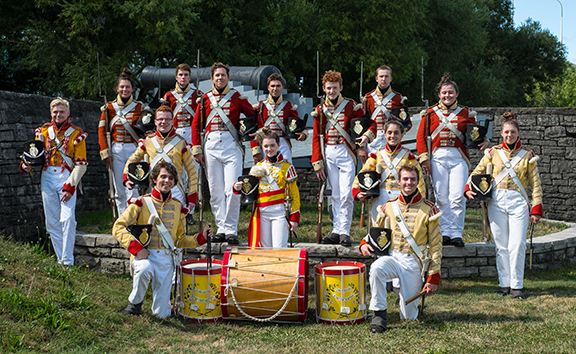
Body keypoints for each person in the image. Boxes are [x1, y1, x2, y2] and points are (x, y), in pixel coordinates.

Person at [113, 161, 212, 318]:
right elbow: (118, 227)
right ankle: (135, 304)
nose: (167, 181)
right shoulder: (141, 203)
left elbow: (179, 240)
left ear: (174, 182)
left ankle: (162, 309)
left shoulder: (178, 206)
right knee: (145, 269)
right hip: (143, 254)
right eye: (163, 176)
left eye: (171, 178)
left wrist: (201, 238)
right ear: (154, 179)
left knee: (161, 315)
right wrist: (137, 249)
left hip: (165, 258)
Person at [465, 112, 542, 299]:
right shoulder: (492, 153)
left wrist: (536, 208)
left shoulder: (527, 155)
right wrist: (468, 188)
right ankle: (504, 284)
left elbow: (536, 184)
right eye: (506, 132)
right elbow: (477, 172)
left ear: (519, 133)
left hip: (518, 203)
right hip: (496, 202)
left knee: (517, 244)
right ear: (501, 133)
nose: (510, 135)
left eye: (513, 132)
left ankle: (517, 286)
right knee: (501, 245)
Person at [359, 164, 442, 333]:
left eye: (412, 179)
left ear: (418, 182)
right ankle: (379, 314)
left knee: (409, 317)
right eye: (405, 179)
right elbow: (375, 231)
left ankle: (403, 297)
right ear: (399, 181)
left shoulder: (429, 209)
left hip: (414, 263)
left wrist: (433, 276)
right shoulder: (389, 206)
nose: (408, 183)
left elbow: (435, 245)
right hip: (393, 257)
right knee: (376, 268)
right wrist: (364, 243)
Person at [416, 74, 489, 247]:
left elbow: (475, 133)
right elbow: (421, 138)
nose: (447, 96)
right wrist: (425, 159)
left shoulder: (466, 113)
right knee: (441, 197)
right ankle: (444, 232)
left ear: (456, 94)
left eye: (450, 92)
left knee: (457, 197)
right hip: (437, 158)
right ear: (439, 95)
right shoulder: (430, 113)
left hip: (458, 158)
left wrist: (485, 141)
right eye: (444, 93)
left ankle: (456, 233)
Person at [191, 62, 255, 244]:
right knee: (216, 191)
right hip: (210, 146)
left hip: (231, 145)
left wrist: (254, 136)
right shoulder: (204, 99)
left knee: (233, 188)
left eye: (223, 75)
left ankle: (231, 229)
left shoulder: (237, 97)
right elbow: (196, 125)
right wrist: (197, 149)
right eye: (217, 75)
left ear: (228, 77)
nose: (220, 78)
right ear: (212, 78)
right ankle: (221, 227)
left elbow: (253, 116)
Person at [20, 98, 88, 265]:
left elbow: (81, 164)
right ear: (51, 113)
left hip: (66, 176)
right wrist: (25, 165)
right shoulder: (43, 132)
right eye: (55, 112)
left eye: (62, 111)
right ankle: (61, 260)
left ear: (68, 113)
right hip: (47, 176)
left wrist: (70, 186)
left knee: (67, 220)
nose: (58, 115)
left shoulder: (76, 133)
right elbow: (34, 154)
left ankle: (68, 260)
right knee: (51, 223)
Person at [312, 70, 376, 247]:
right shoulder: (320, 109)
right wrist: (317, 162)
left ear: (341, 87)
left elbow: (366, 124)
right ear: (324, 89)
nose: (331, 91)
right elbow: (316, 137)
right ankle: (336, 230)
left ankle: (345, 232)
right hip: (328, 152)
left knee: (347, 194)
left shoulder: (351, 106)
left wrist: (365, 140)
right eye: (328, 88)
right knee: (335, 195)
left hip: (346, 151)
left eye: (334, 88)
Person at [233, 128, 300, 248]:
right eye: (266, 146)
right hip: (261, 212)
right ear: (262, 147)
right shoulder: (257, 167)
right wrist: (237, 188)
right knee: (265, 249)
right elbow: (249, 191)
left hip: (279, 212)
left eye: (272, 145)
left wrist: (294, 218)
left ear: (278, 145)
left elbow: (295, 195)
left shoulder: (287, 167)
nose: (269, 149)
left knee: (280, 248)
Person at [123, 105, 198, 211]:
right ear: (155, 122)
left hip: (175, 189)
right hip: (153, 189)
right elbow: (132, 160)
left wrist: (191, 198)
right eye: (160, 119)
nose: (164, 122)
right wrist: (126, 178)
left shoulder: (181, 143)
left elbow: (192, 172)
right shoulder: (148, 141)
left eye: (167, 119)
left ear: (173, 121)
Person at [353, 117, 426, 224]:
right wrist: (357, 192)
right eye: (389, 133)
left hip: (401, 198)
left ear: (402, 135)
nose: (392, 136)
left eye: (396, 133)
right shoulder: (377, 155)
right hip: (379, 198)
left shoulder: (409, 157)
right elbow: (361, 175)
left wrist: (420, 201)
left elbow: (420, 181)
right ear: (385, 135)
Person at [98, 68, 146, 215]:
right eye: (122, 87)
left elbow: (146, 129)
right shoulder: (109, 108)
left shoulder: (140, 107)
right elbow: (102, 131)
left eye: (127, 87)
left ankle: (134, 220)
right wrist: (105, 153)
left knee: (134, 187)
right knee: (119, 189)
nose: (125, 89)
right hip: (117, 149)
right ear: (117, 89)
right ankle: (122, 221)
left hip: (134, 149)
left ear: (132, 89)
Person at [250, 73, 307, 164]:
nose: (275, 89)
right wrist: (256, 151)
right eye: (272, 86)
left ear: (282, 87)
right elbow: (253, 130)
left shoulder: (289, 106)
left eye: (278, 86)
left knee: (285, 172)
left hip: (283, 143)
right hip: (265, 143)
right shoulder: (260, 106)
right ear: (268, 87)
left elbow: (298, 124)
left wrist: (303, 133)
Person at [364, 65, 409, 157]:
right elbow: (364, 121)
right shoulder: (368, 98)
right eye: (381, 76)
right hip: (373, 138)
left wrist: (398, 133)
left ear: (391, 78)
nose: (383, 79)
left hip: (391, 137)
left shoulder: (398, 98)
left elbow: (406, 122)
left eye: (386, 76)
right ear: (376, 78)